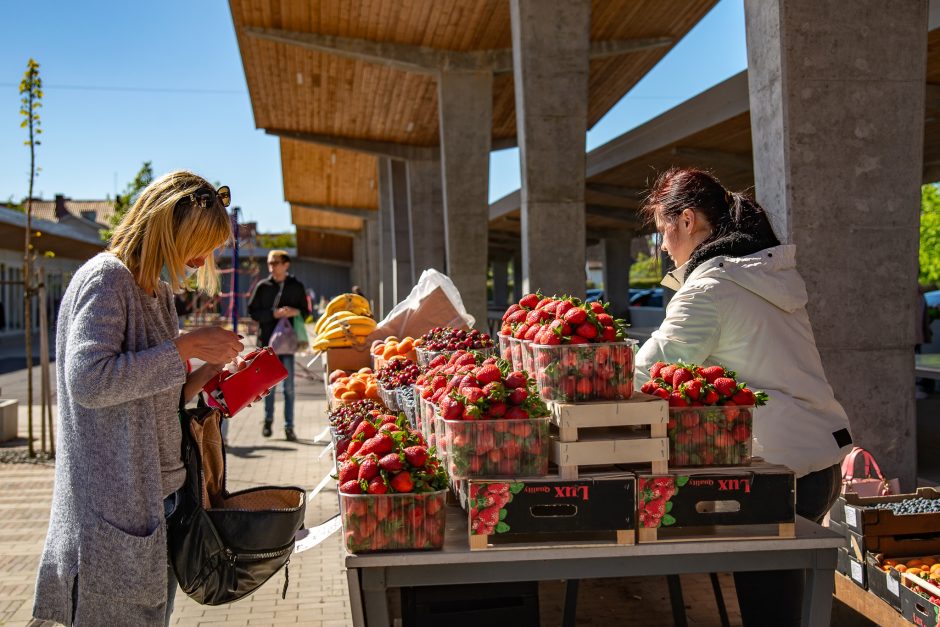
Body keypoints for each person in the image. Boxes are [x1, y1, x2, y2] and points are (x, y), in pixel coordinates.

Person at [634, 167, 853, 627]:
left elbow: (644, 371)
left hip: (780, 471)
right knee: (792, 602)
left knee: (772, 609)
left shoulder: (712, 288)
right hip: (819, 457)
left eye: (662, 232)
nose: (662, 247)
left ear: (687, 220)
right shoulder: (761, 273)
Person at [32, 172, 244, 626]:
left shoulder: (157, 290)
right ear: (165, 231)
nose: (201, 259)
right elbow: (89, 381)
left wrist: (209, 370)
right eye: (196, 246)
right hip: (113, 511)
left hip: (154, 504)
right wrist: (184, 348)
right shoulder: (108, 279)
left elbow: (157, 393)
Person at [248, 249, 309, 441]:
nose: (272, 266)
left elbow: (307, 312)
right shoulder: (263, 286)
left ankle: (289, 427)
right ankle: (267, 421)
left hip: (288, 345)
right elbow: (252, 311)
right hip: (267, 345)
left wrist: (294, 312)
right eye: (269, 263)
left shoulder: (296, 286)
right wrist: (272, 314)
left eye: (275, 262)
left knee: (289, 387)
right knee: (268, 387)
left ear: (286, 264)